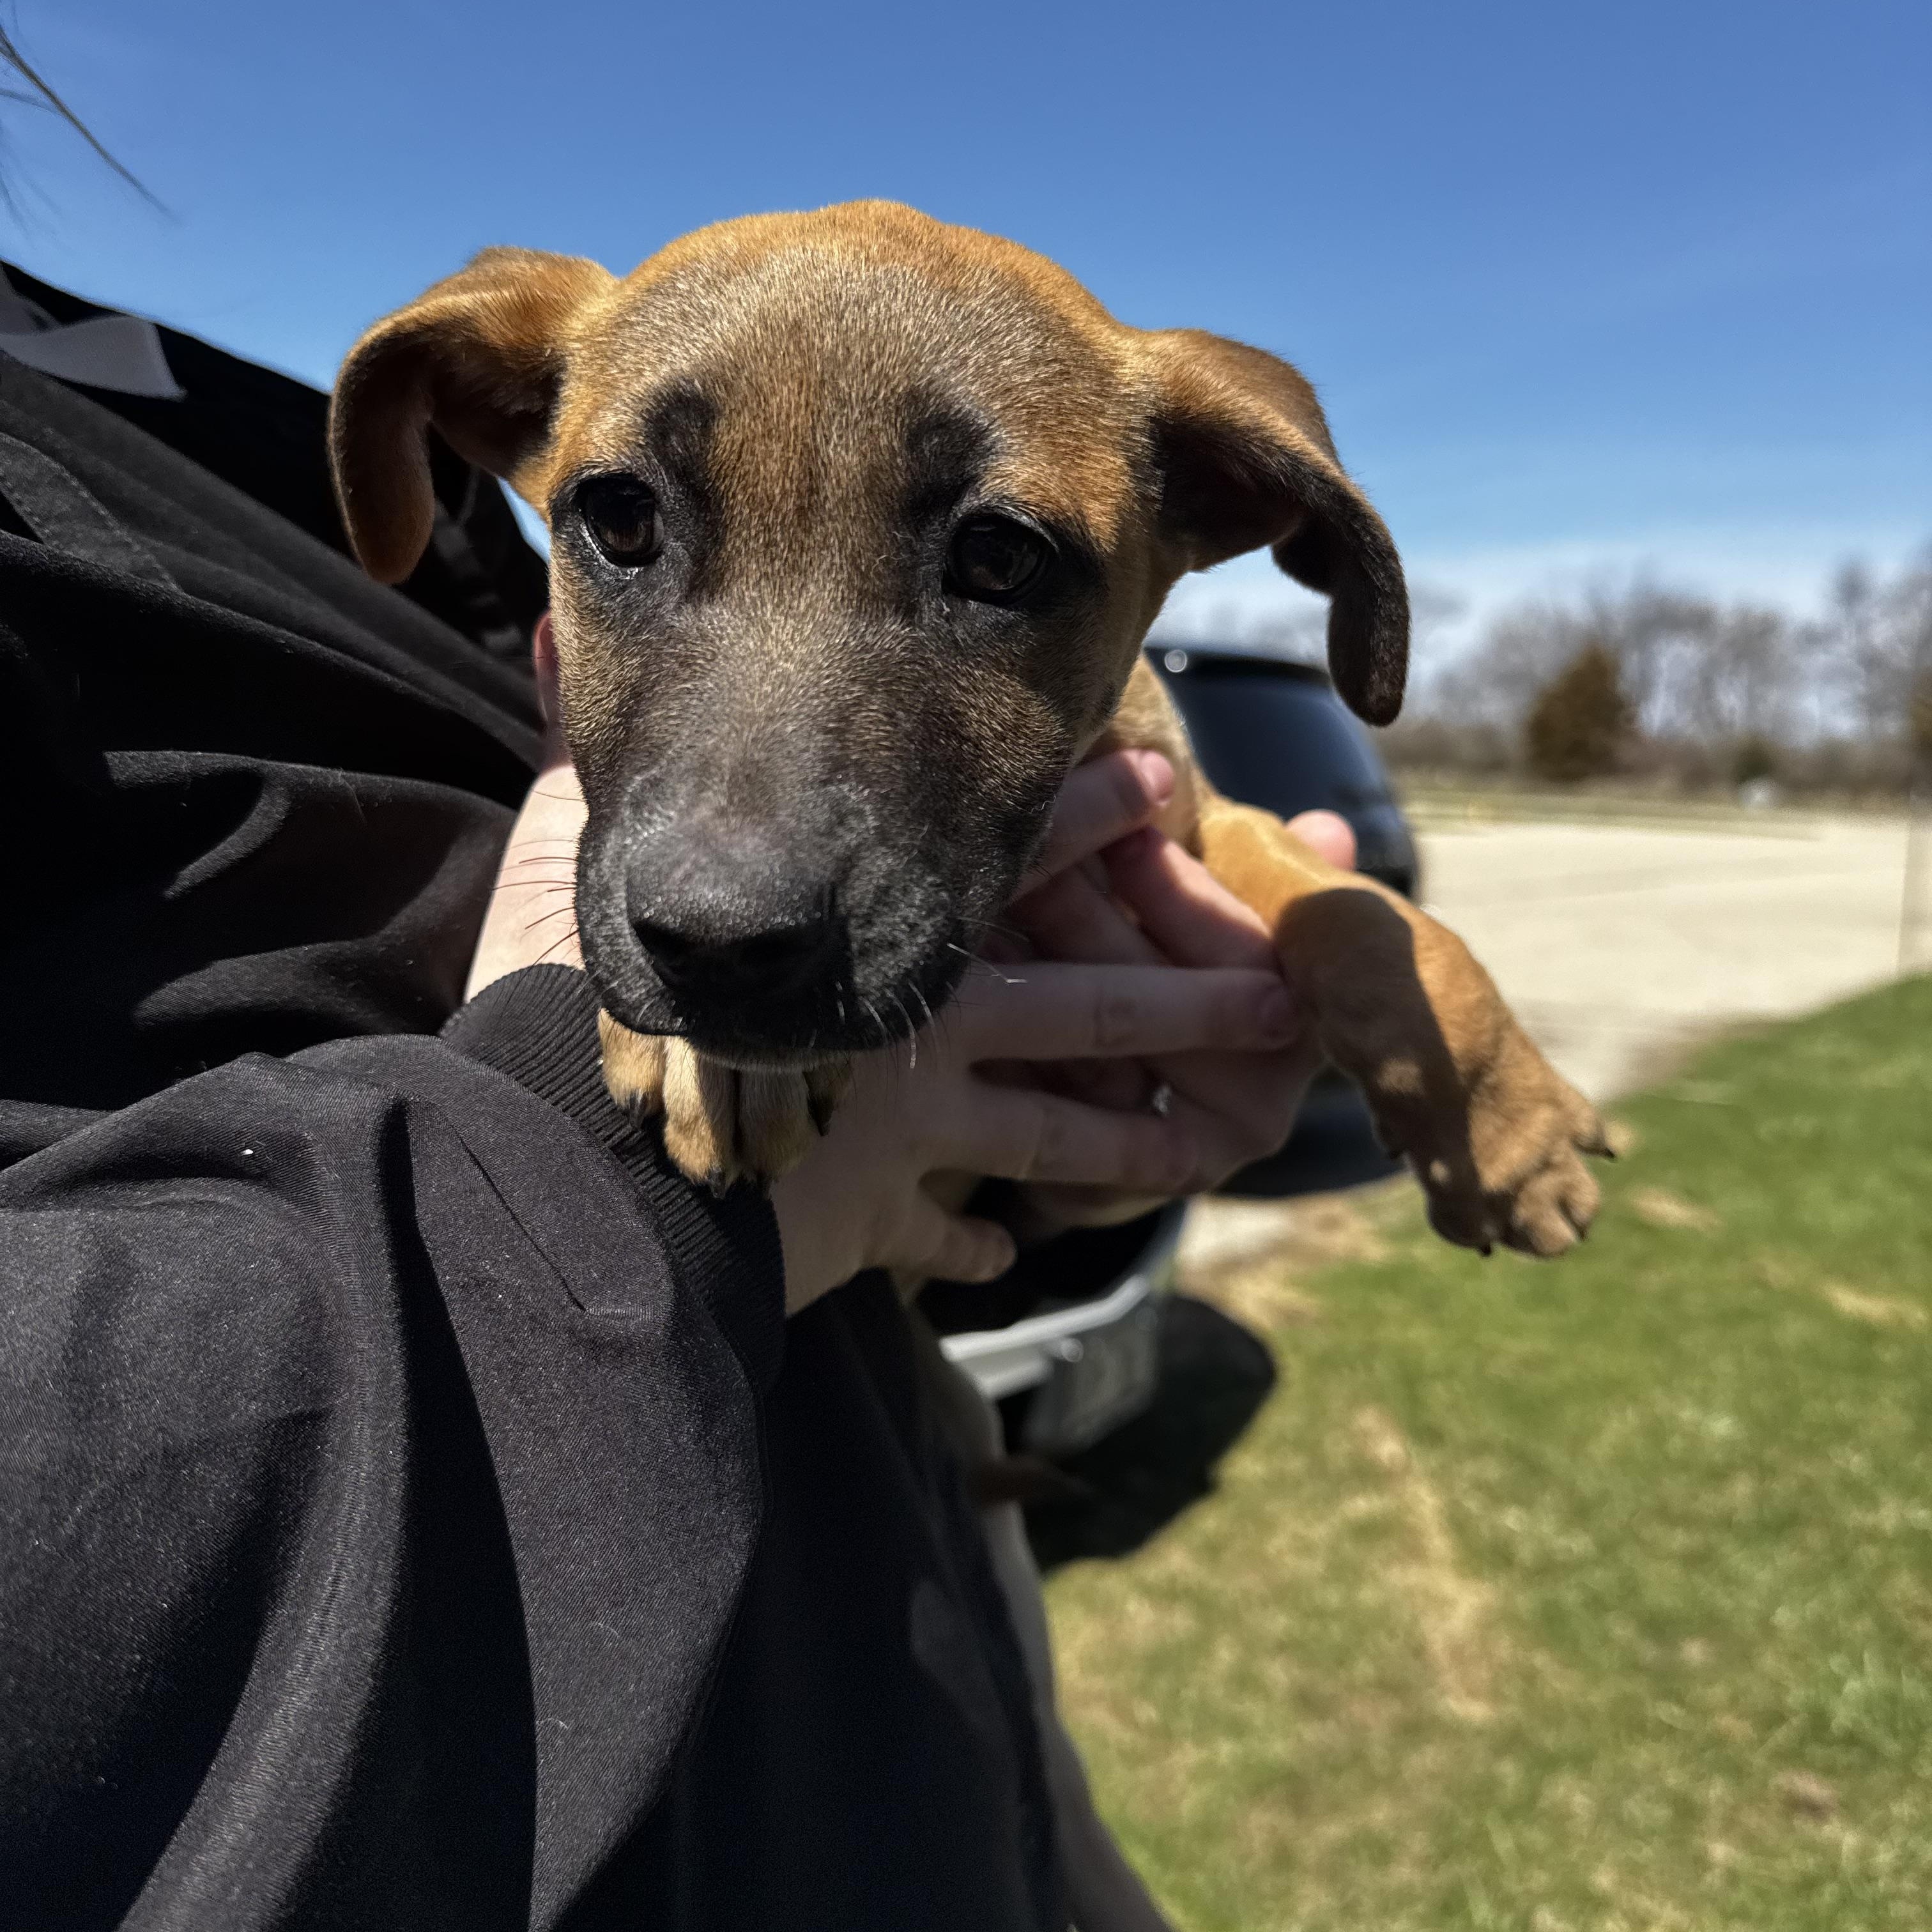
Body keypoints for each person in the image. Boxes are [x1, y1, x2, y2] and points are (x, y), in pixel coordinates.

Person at [0, 249, 1354, 1929]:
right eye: (628, 529)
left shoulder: (186, 395)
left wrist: (1044, 1164)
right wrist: (576, 1159)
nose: (724, 889)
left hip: (898, 1680)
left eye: (996, 555)